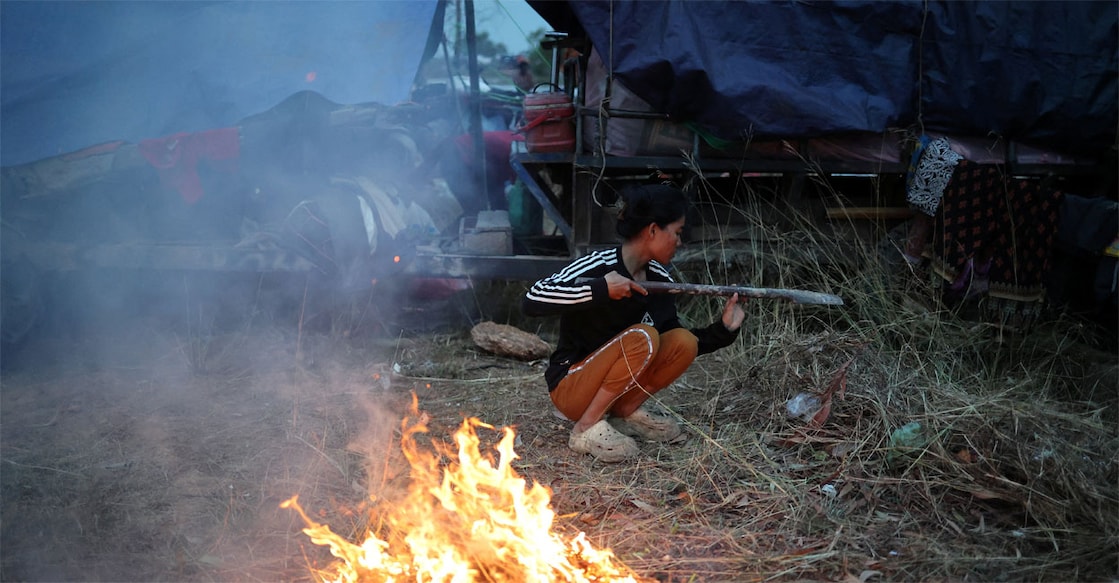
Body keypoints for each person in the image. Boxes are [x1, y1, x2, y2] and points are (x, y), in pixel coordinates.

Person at [522, 184, 747, 462]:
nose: (680, 242)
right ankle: (585, 428)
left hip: (613, 391)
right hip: (572, 385)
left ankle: (624, 414)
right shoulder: (598, 265)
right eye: (677, 232)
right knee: (644, 336)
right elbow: (532, 298)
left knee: (681, 341)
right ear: (653, 230)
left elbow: (672, 343)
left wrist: (723, 330)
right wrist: (601, 289)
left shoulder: (659, 280)